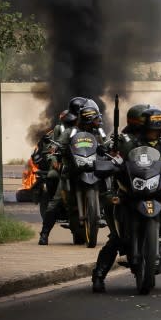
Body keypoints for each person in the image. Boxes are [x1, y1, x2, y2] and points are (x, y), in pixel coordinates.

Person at [92, 107, 161, 292]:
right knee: (116, 237)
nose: (159, 131)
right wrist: (111, 164)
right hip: (133, 191)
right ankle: (99, 276)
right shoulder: (130, 144)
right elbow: (117, 161)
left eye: (160, 128)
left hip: (160, 191)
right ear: (144, 129)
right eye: (154, 128)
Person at [41, 98, 106, 245]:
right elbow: (56, 147)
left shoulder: (98, 132)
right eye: (91, 118)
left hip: (93, 168)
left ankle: (116, 234)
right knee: (56, 200)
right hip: (71, 169)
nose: (95, 121)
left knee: (111, 193)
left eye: (95, 118)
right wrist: (56, 157)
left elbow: (107, 143)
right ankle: (44, 233)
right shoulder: (71, 132)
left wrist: (109, 148)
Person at [37, 98, 85, 245]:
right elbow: (51, 150)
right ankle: (44, 234)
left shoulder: (93, 127)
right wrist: (55, 162)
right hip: (67, 168)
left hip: (87, 168)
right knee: (57, 199)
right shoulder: (63, 129)